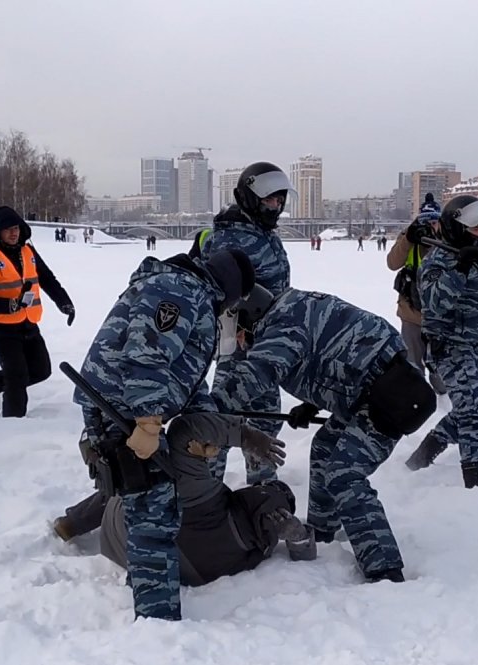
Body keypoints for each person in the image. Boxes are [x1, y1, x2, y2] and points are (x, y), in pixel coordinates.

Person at [59, 247, 257, 620]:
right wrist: (148, 423)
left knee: (148, 500)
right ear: (232, 286)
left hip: (127, 406)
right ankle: (157, 618)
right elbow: (145, 355)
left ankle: (150, 596)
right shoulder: (180, 291)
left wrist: (206, 425)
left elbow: (189, 378)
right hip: (121, 409)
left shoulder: (194, 295)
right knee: (154, 509)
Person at [213, 285, 436, 582]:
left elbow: (256, 376)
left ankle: (385, 570)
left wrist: (205, 408)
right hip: (371, 392)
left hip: (392, 399)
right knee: (324, 447)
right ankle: (325, 531)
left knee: (344, 473)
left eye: (239, 333)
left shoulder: (280, 328)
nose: (240, 343)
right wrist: (311, 403)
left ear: (249, 318)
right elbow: (333, 353)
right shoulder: (290, 307)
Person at [88, 413, 316, 587]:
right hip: (193, 569)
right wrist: (299, 538)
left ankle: (71, 523)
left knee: (149, 470)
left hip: (143, 533)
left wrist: (245, 436)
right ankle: (73, 522)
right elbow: (303, 557)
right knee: (145, 481)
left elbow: (184, 430)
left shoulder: (204, 495)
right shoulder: (258, 541)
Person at [405, 195, 478, 489]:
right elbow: (438, 306)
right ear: (456, 227)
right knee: (473, 420)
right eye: (475, 228)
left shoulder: (473, 258)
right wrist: (460, 270)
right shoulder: (438, 263)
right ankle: (475, 485)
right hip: (450, 350)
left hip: (470, 349)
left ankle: (418, 461)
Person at [200, 161, 294, 486]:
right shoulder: (231, 239)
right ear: (251, 198)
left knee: (266, 419)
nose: (276, 206)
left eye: (280, 200)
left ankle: (262, 493)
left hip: (266, 348)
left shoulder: (262, 234)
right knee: (222, 422)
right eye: (270, 199)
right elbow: (216, 291)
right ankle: (204, 497)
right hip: (238, 347)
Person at [0, 206, 74, 418]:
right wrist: (7, 306)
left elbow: (47, 279)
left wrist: (64, 303)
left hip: (27, 322)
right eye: (8, 229)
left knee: (41, 370)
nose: (13, 233)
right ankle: (13, 424)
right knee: (16, 376)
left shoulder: (28, 252)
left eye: (16, 227)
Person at [385, 209, 447, 394]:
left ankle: (442, 393)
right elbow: (392, 263)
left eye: (434, 222)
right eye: (426, 222)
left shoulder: (448, 237)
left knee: (440, 365)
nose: (430, 227)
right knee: (412, 362)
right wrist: (409, 238)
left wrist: (436, 240)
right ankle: (417, 396)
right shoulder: (409, 237)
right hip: (411, 312)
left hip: (439, 316)